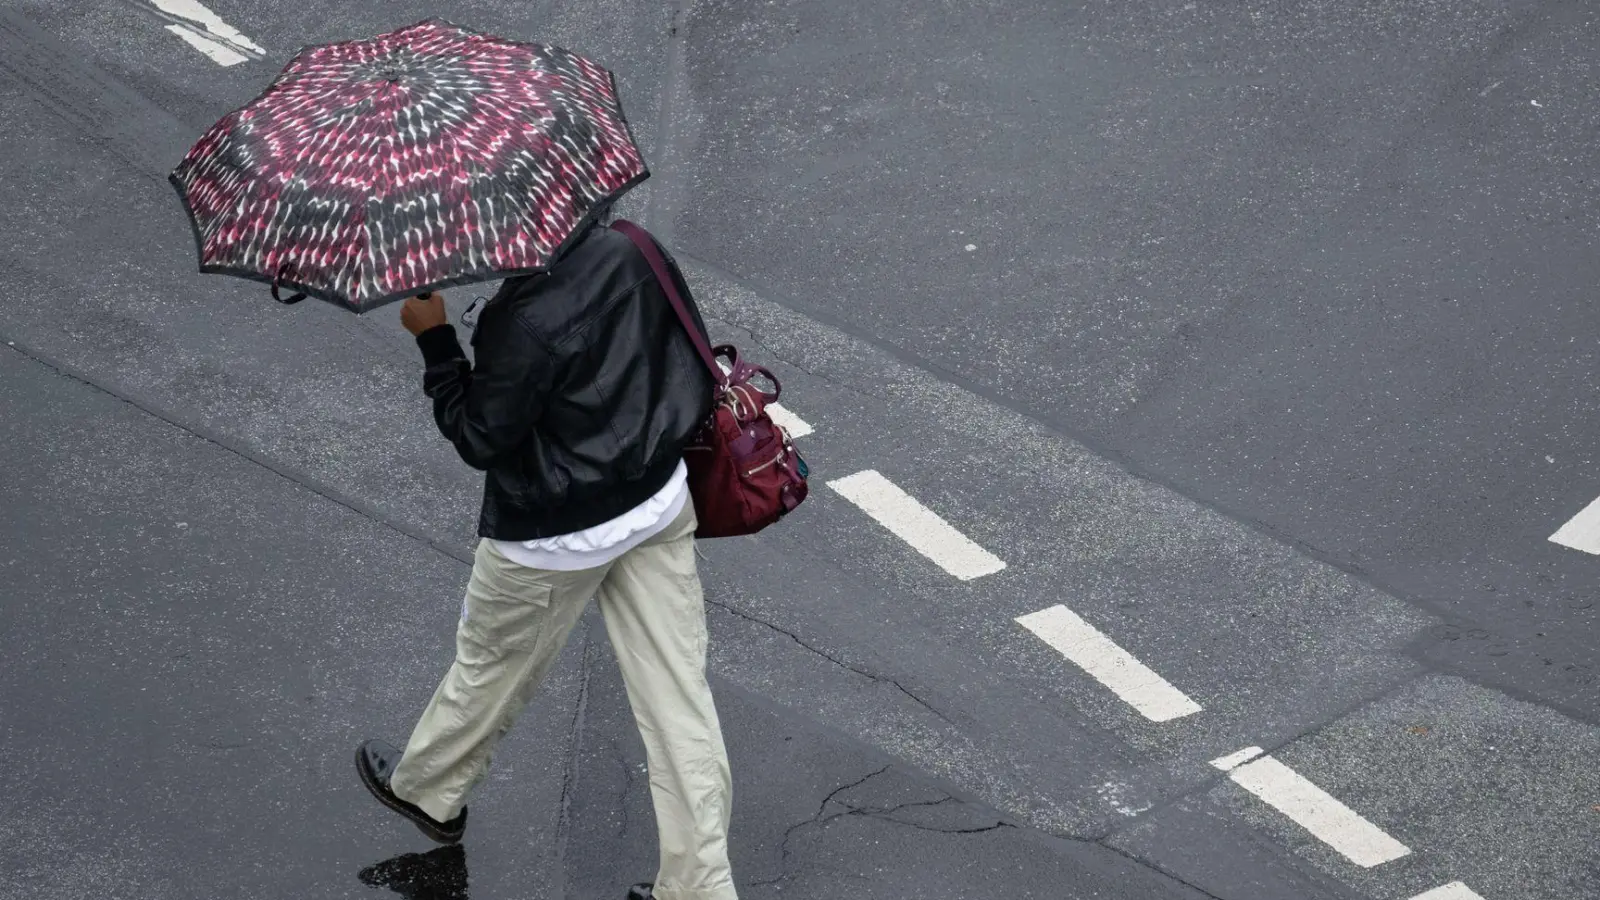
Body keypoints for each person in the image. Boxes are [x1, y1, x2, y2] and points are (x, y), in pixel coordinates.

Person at [355, 213, 737, 900]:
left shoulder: (520, 319)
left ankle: (429, 791)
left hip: (554, 537)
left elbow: (480, 436)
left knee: (493, 666)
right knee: (680, 702)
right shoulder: (632, 248)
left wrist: (436, 339)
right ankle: (700, 889)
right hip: (656, 503)